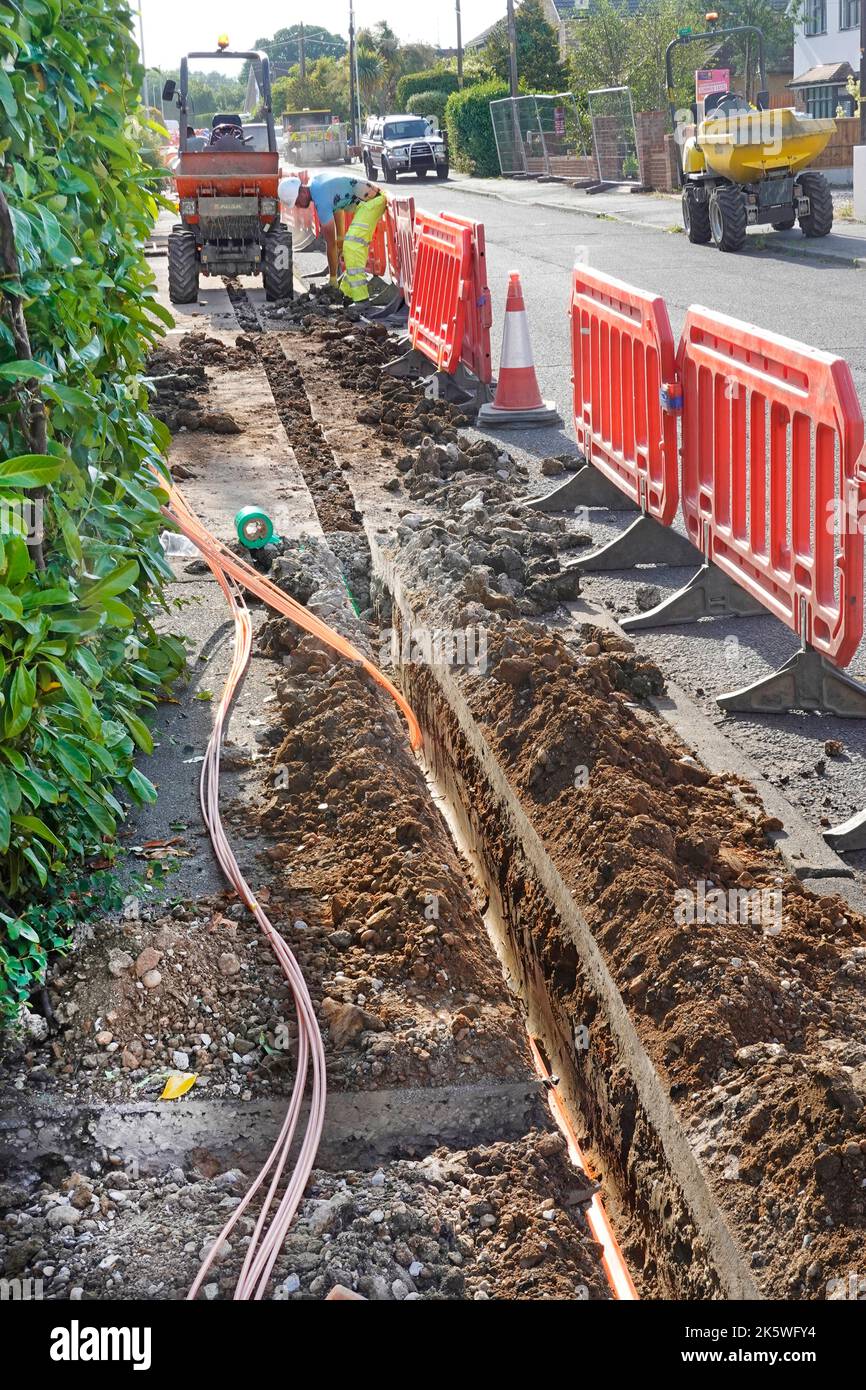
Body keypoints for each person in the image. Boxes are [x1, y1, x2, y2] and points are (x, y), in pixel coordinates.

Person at [279, 172, 386, 302]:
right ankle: (347, 294)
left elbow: (331, 244)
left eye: (296, 202)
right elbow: (337, 207)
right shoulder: (316, 183)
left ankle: (361, 299)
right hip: (369, 201)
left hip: (372, 203)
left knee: (351, 246)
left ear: (302, 193)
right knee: (349, 247)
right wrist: (340, 236)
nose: (298, 206)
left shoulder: (320, 201)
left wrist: (333, 278)